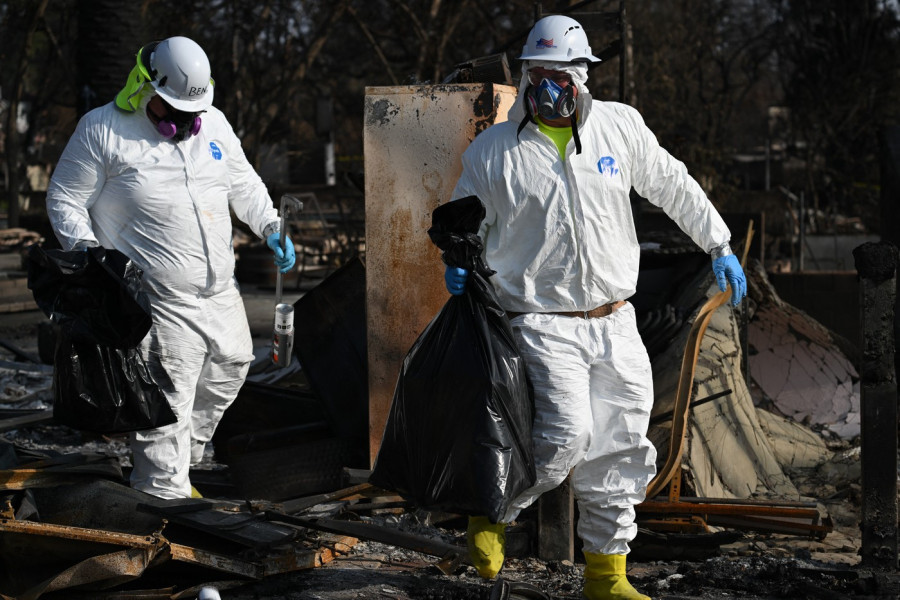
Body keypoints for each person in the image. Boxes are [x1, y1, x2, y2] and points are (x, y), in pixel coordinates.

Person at [443, 15, 746, 600]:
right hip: (540, 320)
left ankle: (607, 577)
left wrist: (719, 244)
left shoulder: (618, 129)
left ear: (583, 78)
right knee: (564, 437)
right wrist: (455, 260)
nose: (553, 89)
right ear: (528, 76)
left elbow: (673, 184)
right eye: (541, 76)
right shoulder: (495, 152)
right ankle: (492, 513)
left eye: (564, 76)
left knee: (624, 443)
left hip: (615, 316)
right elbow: (463, 220)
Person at [45, 36, 296, 500]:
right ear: (145, 86)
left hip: (221, 291)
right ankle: (161, 503)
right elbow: (64, 198)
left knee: (233, 367)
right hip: (158, 300)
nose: (184, 123)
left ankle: (183, 463)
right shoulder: (103, 130)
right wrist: (94, 262)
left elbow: (243, 182)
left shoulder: (214, 124)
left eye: (190, 114)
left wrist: (270, 224)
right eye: (174, 112)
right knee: (168, 407)